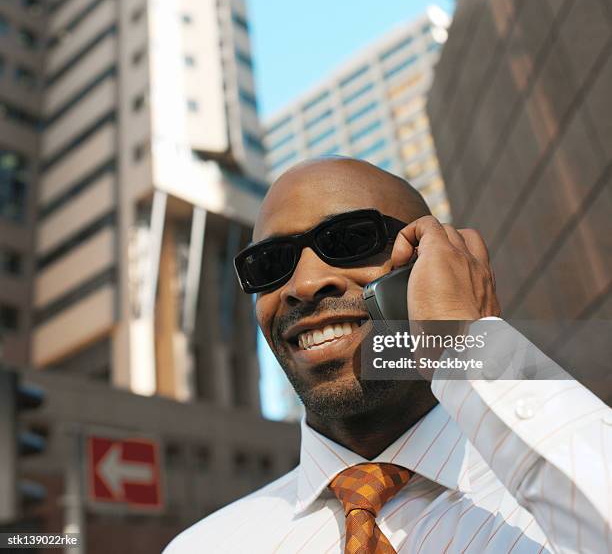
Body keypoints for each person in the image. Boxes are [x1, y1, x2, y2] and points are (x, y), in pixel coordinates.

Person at [165, 157, 611, 553]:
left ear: (437, 258)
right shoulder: (203, 546)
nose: (302, 285)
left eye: (350, 240)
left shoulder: (559, 483)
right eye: (269, 264)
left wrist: (468, 341)